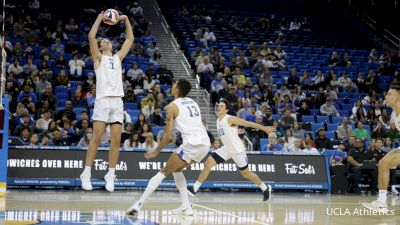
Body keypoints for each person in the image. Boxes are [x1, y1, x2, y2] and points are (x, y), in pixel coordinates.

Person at [127, 79, 211, 216]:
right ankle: (186, 207)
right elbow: (192, 124)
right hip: (205, 144)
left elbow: (167, 136)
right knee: (176, 170)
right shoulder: (193, 103)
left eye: (174, 85)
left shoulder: (172, 106)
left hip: (192, 144)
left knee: (164, 171)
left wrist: (156, 151)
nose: (172, 86)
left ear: (177, 89)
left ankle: (138, 204)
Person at [79, 11, 134, 192]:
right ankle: (86, 173)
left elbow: (130, 39)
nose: (106, 42)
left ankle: (110, 175)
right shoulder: (98, 59)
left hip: (117, 102)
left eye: (107, 41)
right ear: (101, 48)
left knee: (116, 140)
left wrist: (125, 20)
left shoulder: (117, 58)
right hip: (102, 101)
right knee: (96, 138)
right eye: (103, 42)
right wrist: (100, 18)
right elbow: (91, 36)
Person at [186, 99, 275, 200]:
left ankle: (265, 188)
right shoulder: (217, 121)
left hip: (237, 151)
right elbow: (229, 132)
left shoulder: (230, 119)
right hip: (227, 149)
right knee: (208, 164)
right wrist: (235, 132)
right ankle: (194, 189)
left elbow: (247, 123)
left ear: (226, 110)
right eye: (218, 105)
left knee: (246, 174)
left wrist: (264, 128)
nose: (219, 107)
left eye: (222, 106)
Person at [363, 84, 400, 211]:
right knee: (383, 163)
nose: (386, 96)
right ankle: (381, 202)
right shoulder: (394, 115)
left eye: (390, 94)